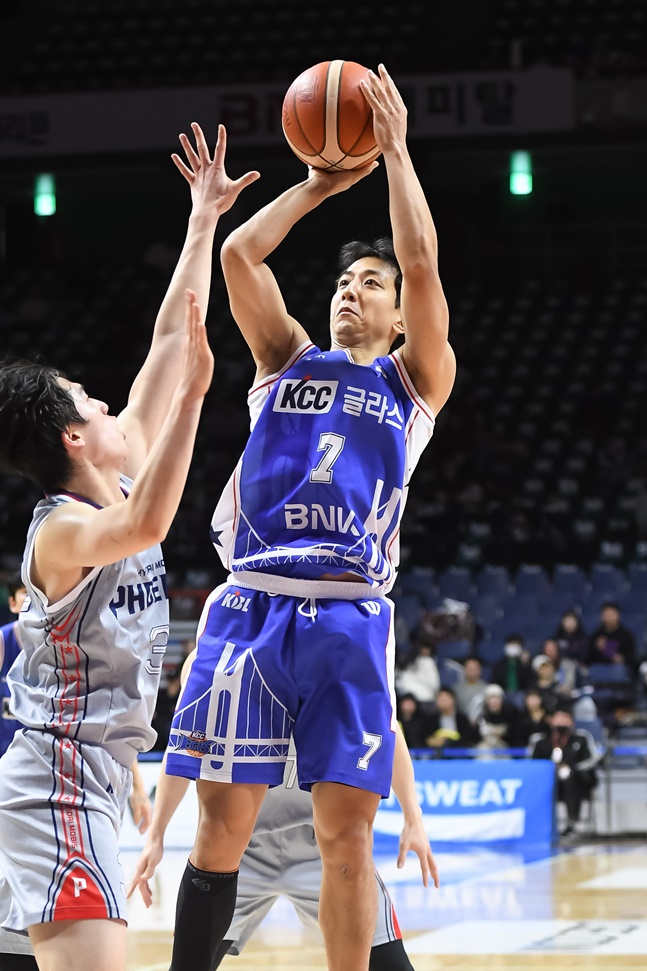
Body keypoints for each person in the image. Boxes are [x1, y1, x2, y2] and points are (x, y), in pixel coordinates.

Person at [165, 64, 456, 971]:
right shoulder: (284, 358)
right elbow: (239, 258)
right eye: (342, 281)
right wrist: (319, 184)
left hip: (347, 612)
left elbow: (420, 261)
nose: (350, 291)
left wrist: (395, 151)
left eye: (369, 283)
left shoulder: (413, 381)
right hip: (251, 601)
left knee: (345, 841)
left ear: (399, 314)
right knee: (219, 833)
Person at [0, 123, 258, 971]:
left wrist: (202, 219)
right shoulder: (63, 529)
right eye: (90, 400)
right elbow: (147, 524)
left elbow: (172, 344)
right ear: (73, 438)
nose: (110, 403)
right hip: (56, 781)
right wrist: (193, 403)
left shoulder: (114, 478)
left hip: (97, 775)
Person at [129, 651, 437, 971]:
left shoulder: (340, 648)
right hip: (237, 847)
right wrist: (156, 835)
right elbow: (184, 746)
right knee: (188, 965)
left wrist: (413, 816)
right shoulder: (215, 653)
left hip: (324, 847)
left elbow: (387, 726)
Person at [531, 705, 600, 836]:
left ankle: (572, 822)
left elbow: (592, 759)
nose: (562, 721)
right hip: (548, 780)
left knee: (570, 781)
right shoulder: (541, 741)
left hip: (576, 780)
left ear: (571, 721)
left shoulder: (581, 738)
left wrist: (572, 769)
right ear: (551, 720)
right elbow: (533, 763)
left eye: (565, 718)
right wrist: (550, 770)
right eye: (558, 718)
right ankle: (540, 825)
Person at [0, 572, 27, 758]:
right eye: (26, 593)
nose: (33, 599)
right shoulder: (3, 640)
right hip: (5, 752)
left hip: (43, 754)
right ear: (13, 603)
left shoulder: (60, 643)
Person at [587, 601, 638, 671]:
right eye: (606, 614)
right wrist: (599, 649)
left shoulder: (627, 636)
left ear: (618, 615)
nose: (609, 617)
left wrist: (621, 658)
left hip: (620, 671)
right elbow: (589, 659)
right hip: (599, 671)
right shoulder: (596, 636)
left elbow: (632, 658)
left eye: (611, 614)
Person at [474, 684, 520, 755]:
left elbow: (516, 738)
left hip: (506, 749)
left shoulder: (511, 715)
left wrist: (501, 734)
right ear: (486, 701)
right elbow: (474, 738)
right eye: (491, 699)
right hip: (486, 748)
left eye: (497, 698)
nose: (494, 702)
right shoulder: (481, 716)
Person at [394, 640, 440, 704]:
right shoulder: (412, 661)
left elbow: (434, 684)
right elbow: (434, 684)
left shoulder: (428, 661)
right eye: (424, 648)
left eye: (427, 649)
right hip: (410, 697)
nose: (425, 651)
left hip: (420, 698)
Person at [454, 655, 487, 723]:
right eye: (469, 668)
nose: (471, 671)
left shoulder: (486, 689)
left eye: (474, 668)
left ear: (480, 670)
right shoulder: (456, 689)